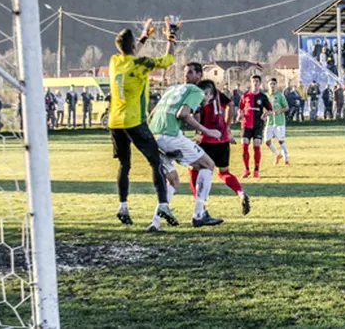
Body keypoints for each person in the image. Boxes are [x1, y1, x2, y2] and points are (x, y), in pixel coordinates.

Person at [108, 17, 179, 230]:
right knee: (154, 161)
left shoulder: (114, 61)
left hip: (114, 121)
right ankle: (164, 204)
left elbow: (131, 51)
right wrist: (171, 34)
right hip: (134, 121)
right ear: (132, 46)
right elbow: (167, 60)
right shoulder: (141, 64)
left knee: (124, 164)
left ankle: (122, 206)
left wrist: (144, 36)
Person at [149, 78, 225, 230]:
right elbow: (183, 114)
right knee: (208, 165)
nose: (205, 104)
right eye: (208, 100)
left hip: (154, 137)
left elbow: (152, 114)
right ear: (208, 92)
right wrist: (207, 131)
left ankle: (155, 222)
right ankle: (199, 215)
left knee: (173, 180)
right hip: (170, 137)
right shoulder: (197, 91)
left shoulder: (172, 88)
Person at [184, 63, 251, 216]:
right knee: (224, 172)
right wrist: (226, 127)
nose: (186, 76)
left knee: (193, 169)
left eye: (190, 73)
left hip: (206, 139)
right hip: (222, 138)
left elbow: (197, 113)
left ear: (199, 75)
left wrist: (199, 129)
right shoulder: (213, 90)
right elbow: (230, 104)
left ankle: (201, 207)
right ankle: (240, 193)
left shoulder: (198, 91)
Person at [237, 75, 272, 178]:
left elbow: (270, 109)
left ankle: (256, 170)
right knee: (244, 146)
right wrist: (240, 115)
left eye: (257, 81)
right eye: (253, 81)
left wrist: (265, 114)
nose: (255, 83)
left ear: (260, 83)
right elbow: (240, 108)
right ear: (251, 83)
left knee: (256, 146)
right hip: (246, 124)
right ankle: (246, 169)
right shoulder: (245, 96)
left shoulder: (263, 97)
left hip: (257, 125)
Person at [264, 78, 290, 166]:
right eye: (270, 84)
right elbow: (263, 108)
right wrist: (264, 114)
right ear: (268, 85)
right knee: (267, 141)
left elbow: (286, 107)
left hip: (280, 122)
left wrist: (280, 110)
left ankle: (286, 160)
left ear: (276, 85)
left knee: (281, 141)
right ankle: (278, 154)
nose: (272, 85)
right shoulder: (266, 96)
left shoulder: (280, 95)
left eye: (274, 84)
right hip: (270, 122)